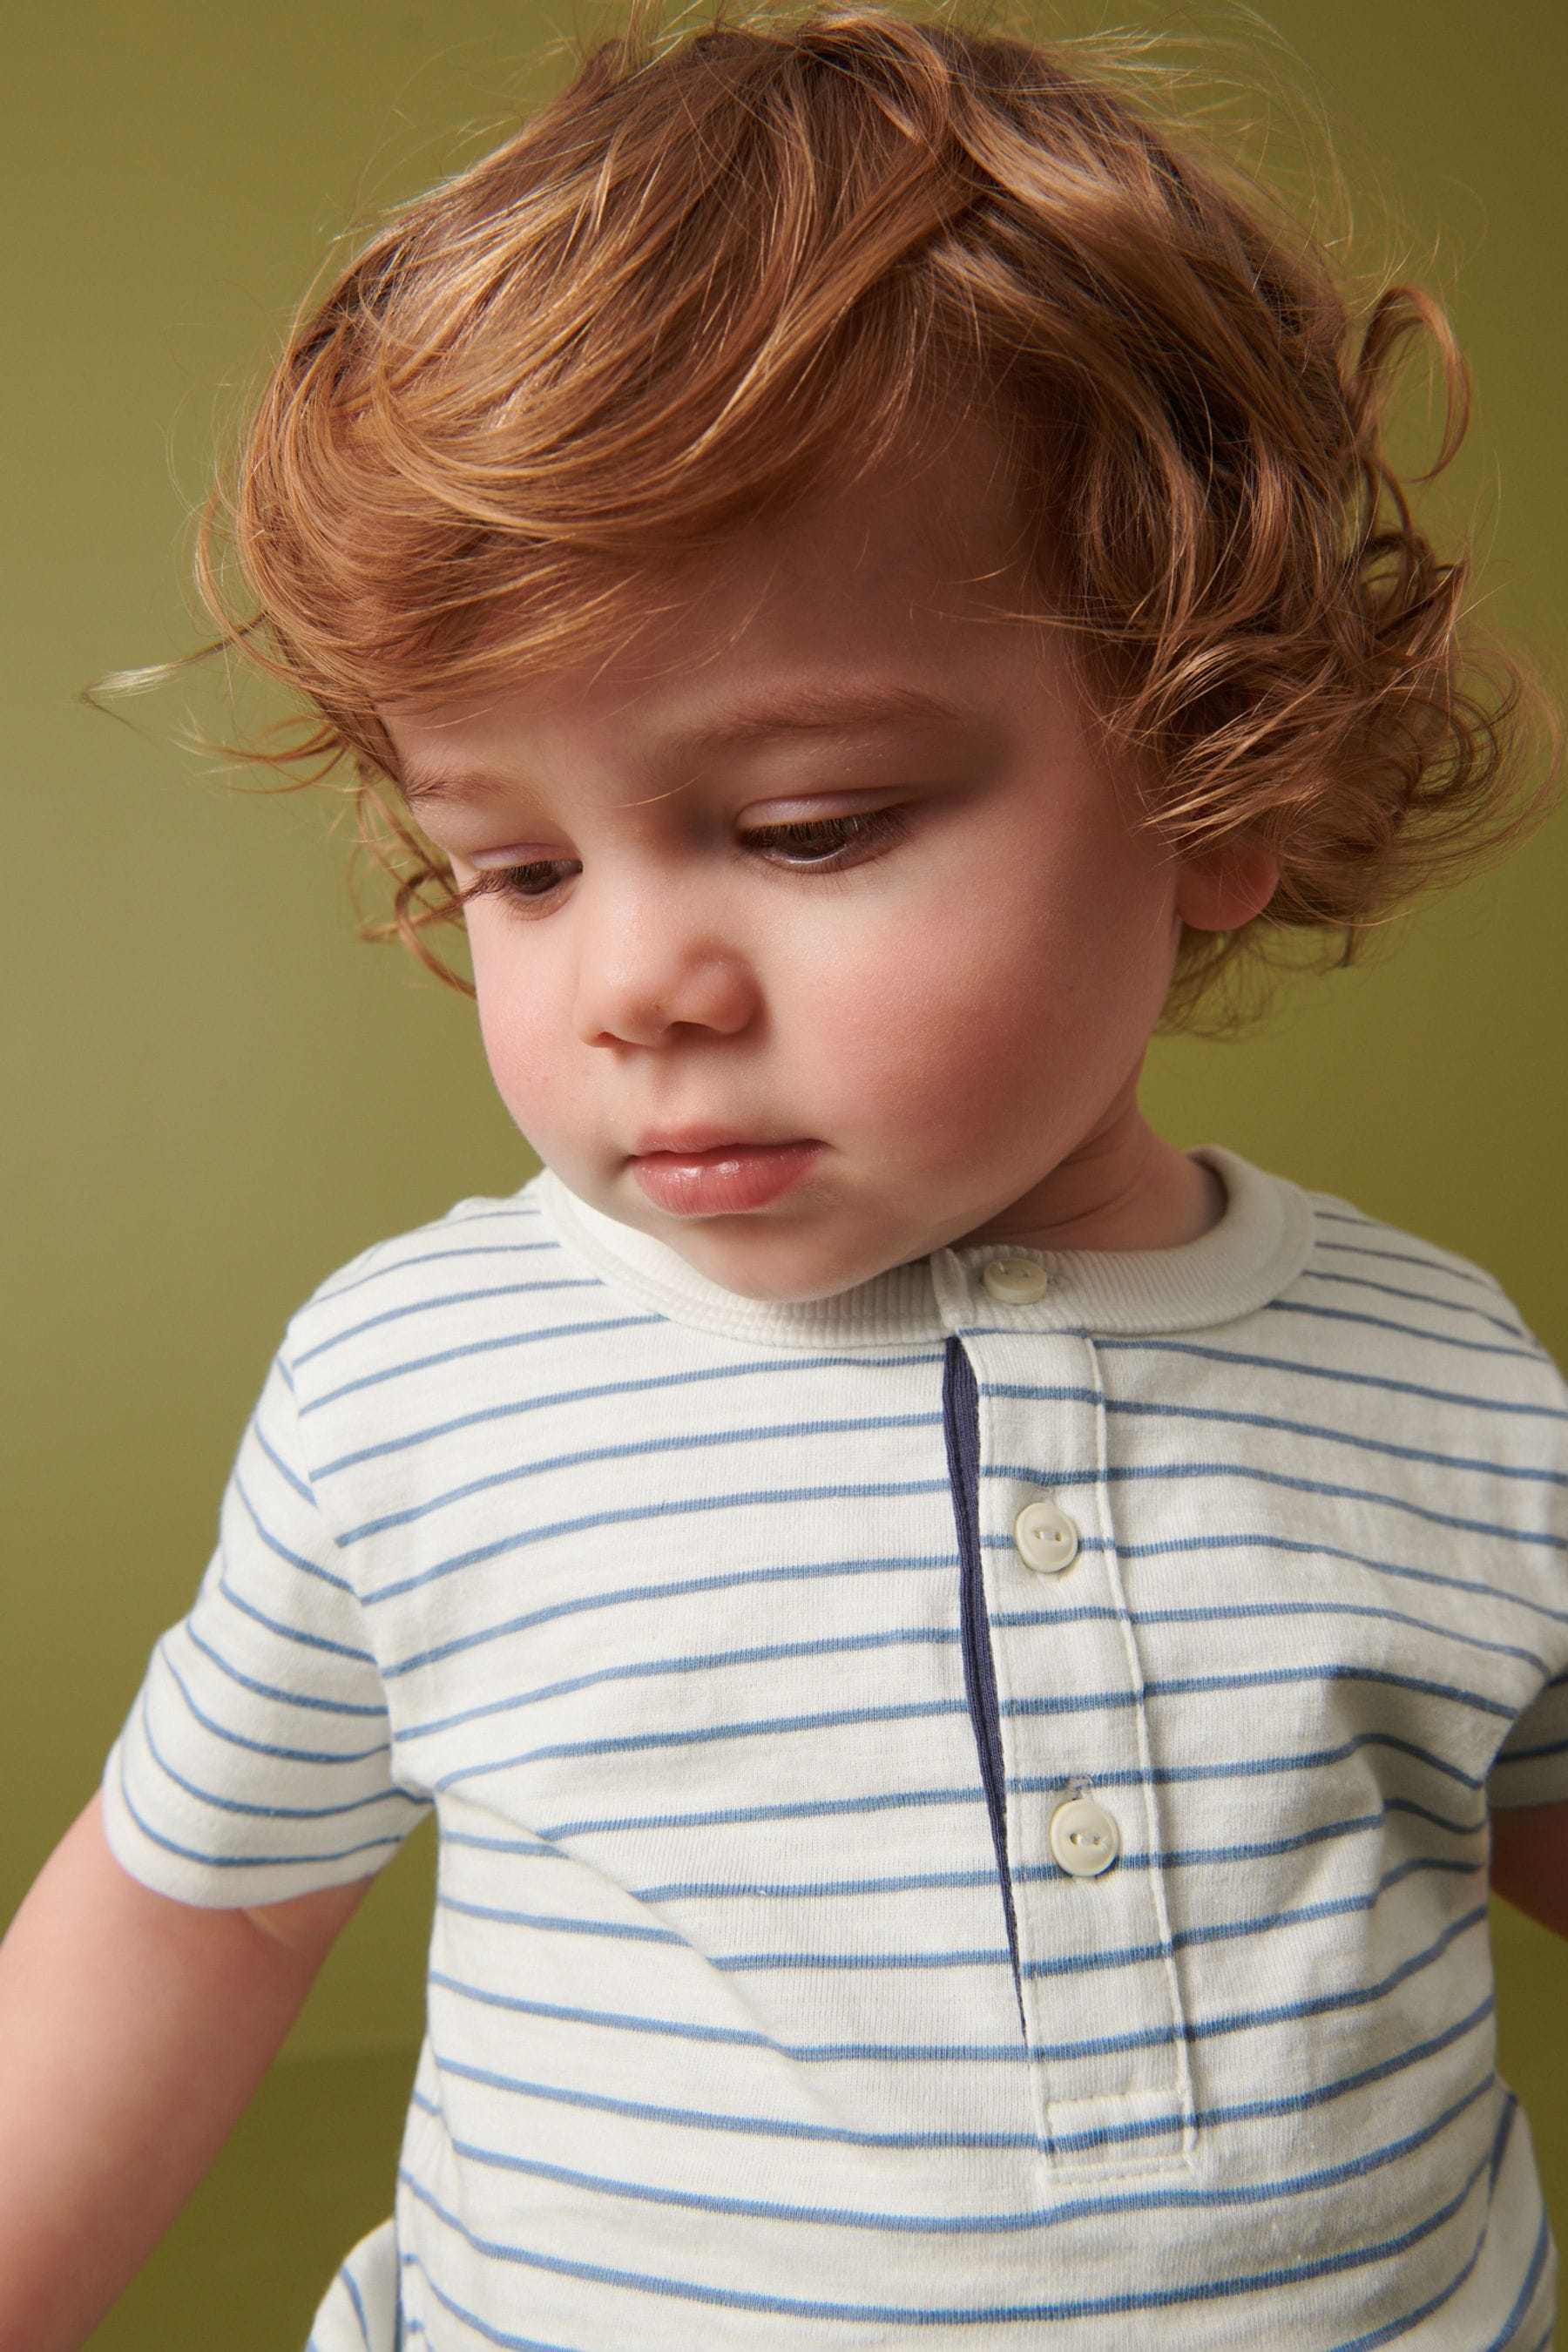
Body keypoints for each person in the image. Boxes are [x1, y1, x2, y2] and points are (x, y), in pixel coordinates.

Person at [2, 5, 1565, 2346]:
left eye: (811, 823)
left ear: (1221, 779)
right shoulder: (418, 1389)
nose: (633, 980)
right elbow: (195, 1909)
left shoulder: (1442, 1375)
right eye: (514, 868)